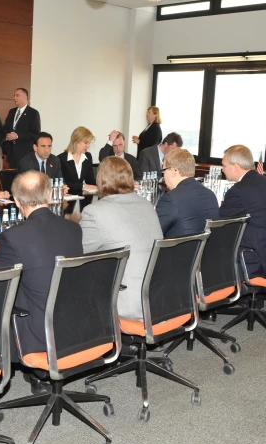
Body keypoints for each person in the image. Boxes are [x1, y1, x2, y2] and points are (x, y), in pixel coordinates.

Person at [0, 171, 83, 356]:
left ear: (18, 202)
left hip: (39, 334)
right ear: (49, 195)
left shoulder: (13, 237)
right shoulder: (74, 228)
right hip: (76, 325)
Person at [80, 157, 162, 320]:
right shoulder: (147, 205)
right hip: (160, 296)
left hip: (128, 301)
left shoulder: (94, 212)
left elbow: (78, 253)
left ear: (100, 179)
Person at [219, 145, 266, 279]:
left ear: (235, 167)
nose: (222, 169)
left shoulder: (239, 190)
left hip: (253, 258)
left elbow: (219, 222)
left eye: (224, 165)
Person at [155, 148, 219, 238]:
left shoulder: (170, 199)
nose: (164, 175)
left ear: (173, 171)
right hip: (204, 251)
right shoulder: (210, 194)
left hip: (176, 251)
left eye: (164, 171)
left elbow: (153, 232)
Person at [2, 88, 41, 169]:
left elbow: (35, 134)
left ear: (24, 97)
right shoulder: (11, 112)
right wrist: (7, 135)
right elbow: (5, 127)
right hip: (11, 153)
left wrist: (18, 136)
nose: (14, 98)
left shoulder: (33, 113)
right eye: (14, 96)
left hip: (25, 154)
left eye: (17, 95)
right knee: (12, 179)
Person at [58, 127, 98, 195]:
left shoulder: (88, 156)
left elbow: (90, 180)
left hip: (82, 199)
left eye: (89, 143)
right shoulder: (61, 158)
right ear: (76, 141)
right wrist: (83, 186)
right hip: (67, 198)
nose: (88, 146)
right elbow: (62, 183)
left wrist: (104, 185)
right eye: (86, 143)